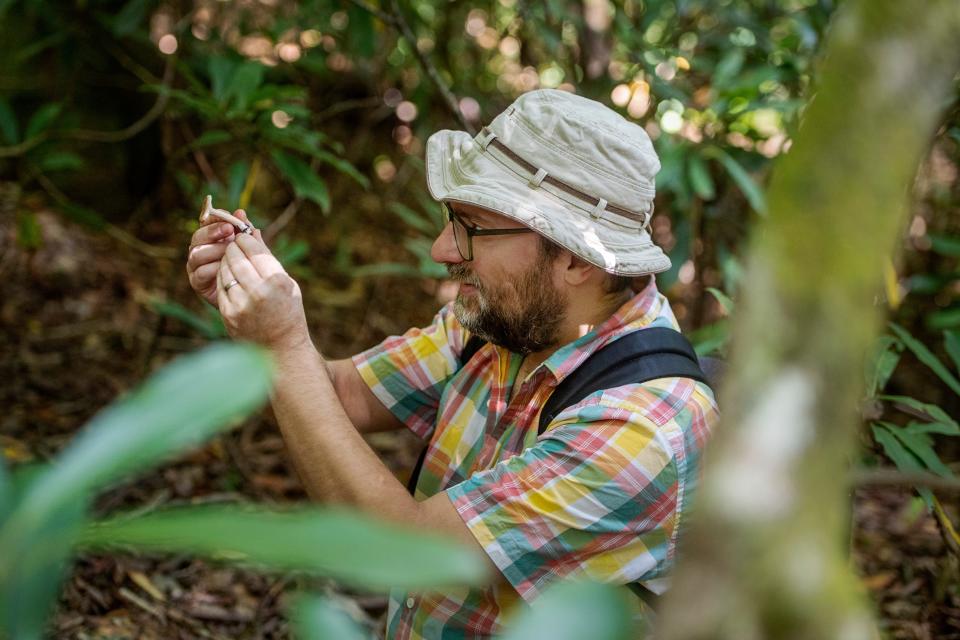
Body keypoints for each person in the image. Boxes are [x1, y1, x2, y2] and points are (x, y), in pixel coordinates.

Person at [185, 89, 719, 639]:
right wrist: (255, 301)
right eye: (451, 218)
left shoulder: (641, 430)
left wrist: (282, 342)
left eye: (473, 226)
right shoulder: (506, 325)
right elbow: (339, 393)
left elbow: (403, 551)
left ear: (575, 259)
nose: (443, 249)